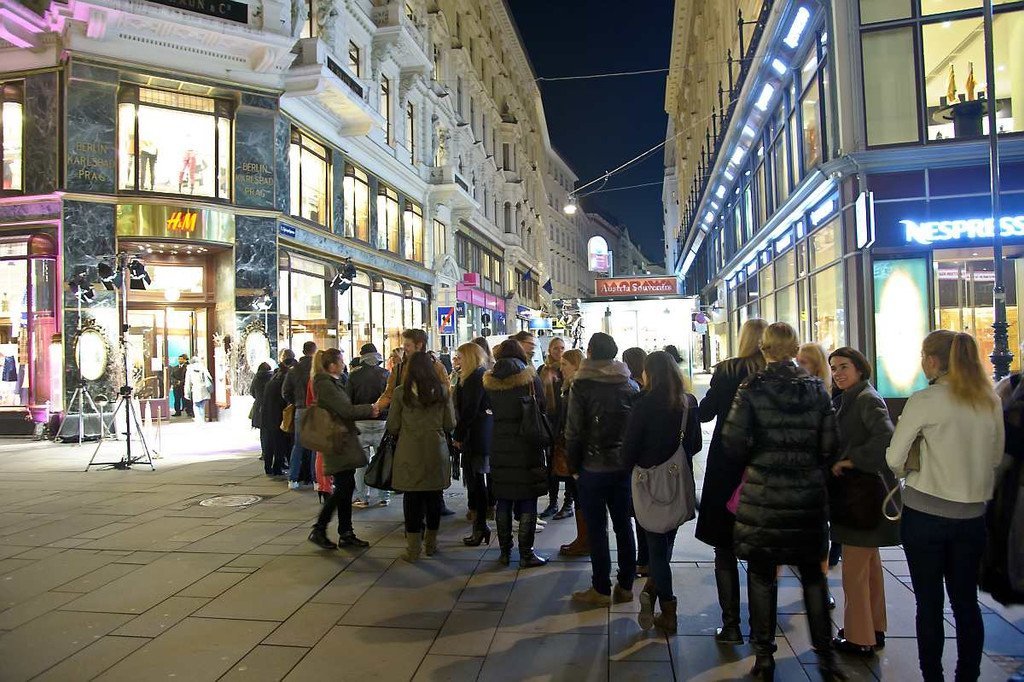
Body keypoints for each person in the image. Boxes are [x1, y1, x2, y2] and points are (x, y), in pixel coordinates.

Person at [722, 322, 845, 681]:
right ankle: (826, 658)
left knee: (762, 576)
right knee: (813, 578)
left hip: (763, 495)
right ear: (794, 349)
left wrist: (758, 456)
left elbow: (732, 442)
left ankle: (764, 658)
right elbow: (830, 444)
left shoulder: (751, 388)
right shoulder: (816, 389)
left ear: (764, 349)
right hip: (807, 497)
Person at [886, 330, 1004, 682]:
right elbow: (995, 456)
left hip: (926, 514)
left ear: (933, 360)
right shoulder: (988, 399)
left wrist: (910, 467)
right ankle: (967, 675)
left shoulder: (926, 399)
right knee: (966, 603)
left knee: (929, 604)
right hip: (972, 517)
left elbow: (894, 458)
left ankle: (932, 676)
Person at [696, 317, 768, 645]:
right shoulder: (772, 373)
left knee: (724, 547)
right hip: (762, 465)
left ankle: (731, 626)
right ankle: (761, 632)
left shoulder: (727, 371)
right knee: (760, 552)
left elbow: (705, 413)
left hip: (727, 463)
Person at [623, 351, 701, 634]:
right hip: (678, 482)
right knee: (667, 540)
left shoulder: (642, 404)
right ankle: (653, 589)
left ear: (649, 374)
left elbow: (629, 450)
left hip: (648, 484)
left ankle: (667, 608)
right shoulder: (687, 403)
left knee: (655, 547)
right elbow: (695, 444)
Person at [827, 347, 898, 657]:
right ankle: (874, 627)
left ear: (859, 368)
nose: (838, 373)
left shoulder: (865, 399)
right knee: (868, 568)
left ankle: (859, 637)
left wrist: (851, 460)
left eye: (844, 366)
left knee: (854, 572)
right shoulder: (852, 397)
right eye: (834, 368)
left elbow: (885, 437)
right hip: (861, 497)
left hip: (860, 497)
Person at [566, 332, 640, 605]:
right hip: (623, 466)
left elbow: (573, 431)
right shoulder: (629, 384)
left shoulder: (581, 385)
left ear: (589, 352)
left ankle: (600, 588)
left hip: (592, 467)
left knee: (597, 529)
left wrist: (574, 467)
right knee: (624, 525)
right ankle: (626, 585)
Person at [483, 339, 549, 568]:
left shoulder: (489, 380)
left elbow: (487, 408)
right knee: (528, 497)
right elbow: (542, 406)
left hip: (500, 444)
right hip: (526, 444)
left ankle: (504, 552)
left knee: (503, 498)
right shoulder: (530, 378)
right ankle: (526, 553)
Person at [386, 350, 456, 562]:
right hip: (436, 449)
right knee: (434, 498)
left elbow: (392, 425)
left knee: (412, 499)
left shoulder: (401, 393)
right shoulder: (442, 391)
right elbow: (450, 423)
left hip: (409, 450)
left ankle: (413, 549)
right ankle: (431, 545)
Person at [307, 348, 379, 550]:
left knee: (345, 487)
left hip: (341, 439)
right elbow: (345, 410)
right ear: (332, 365)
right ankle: (320, 529)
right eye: (340, 361)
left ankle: (345, 533)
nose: (343, 364)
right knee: (344, 487)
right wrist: (370, 409)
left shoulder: (331, 382)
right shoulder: (326, 385)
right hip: (337, 440)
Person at [453, 342, 493, 546]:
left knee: (476, 481)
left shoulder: (474, 377)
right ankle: (480, 525)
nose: (457, 360)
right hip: (479, 434)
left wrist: (458, 435)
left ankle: (480, 526)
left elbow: (469, 409)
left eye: (460, 357)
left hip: (475, 436)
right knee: (476, 480)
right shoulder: (477, 375)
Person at [347, 343, 391, 508]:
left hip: (360, 422)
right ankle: (384, 496)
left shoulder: (353, 376)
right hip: (382, 421)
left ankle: (362, 497)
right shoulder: (386, 374)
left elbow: (348, 400)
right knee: (382, 460)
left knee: (361, 463)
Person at [557, 349, 588, 556]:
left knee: (581, 495)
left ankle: (585, 541)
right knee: (578, 495)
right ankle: (583, 538)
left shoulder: (576, 387)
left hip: (578, 450)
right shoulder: (570, 386)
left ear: (576, 365)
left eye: (565, 364)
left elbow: (574, 424)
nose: (561, 368)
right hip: (575, 449)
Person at [621, 346, 649, 576]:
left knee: (639, 511)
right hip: (657, 463)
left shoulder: (633, 389)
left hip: (638, 461)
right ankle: (649, 559)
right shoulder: (653, 388)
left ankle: (643, 559)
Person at [539, 337, 566, 519]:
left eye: (562, 348)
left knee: (565, 463)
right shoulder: (543, 370)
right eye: (556, 348)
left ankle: (568, 503)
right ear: (549, 350)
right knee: (551, 465)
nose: (559, 351)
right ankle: (553, 502)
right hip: (548, 421)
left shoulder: (566, 368)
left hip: (563, 422)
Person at [283, 341, 317, 490]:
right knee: (316, 445)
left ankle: (293, 479)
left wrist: (296, 402)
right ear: (314, 351)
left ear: (303, 351)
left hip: (300, 409)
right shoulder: (318, 368)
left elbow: (285, 392)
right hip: (315, 409)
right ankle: (316, 479)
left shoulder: (293, 370)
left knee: (298, 445)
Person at [261, 357, 294, 476]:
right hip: (278, 416)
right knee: (280, 444)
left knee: (269, 443)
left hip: (267, 415)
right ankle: (277, 468)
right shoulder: (283, 383)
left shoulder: (271, 381)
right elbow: (284, 399)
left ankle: (268, 467)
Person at [184, 355, 213, 422]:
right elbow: (209, 378)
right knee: (202, 405)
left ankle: (199, 419)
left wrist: (187, 393)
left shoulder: (190, 369)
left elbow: (187, 382)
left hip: (196, 389)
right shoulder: (203, 367)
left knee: (196, 405)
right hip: (204, 388)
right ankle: (202, 419)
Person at [249, 362, 272, 432]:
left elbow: (252, 391)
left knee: (261, 426)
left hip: (259, 405)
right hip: (270, 405)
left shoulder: (256, 378)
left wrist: (258, 397)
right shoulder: (272, 377)